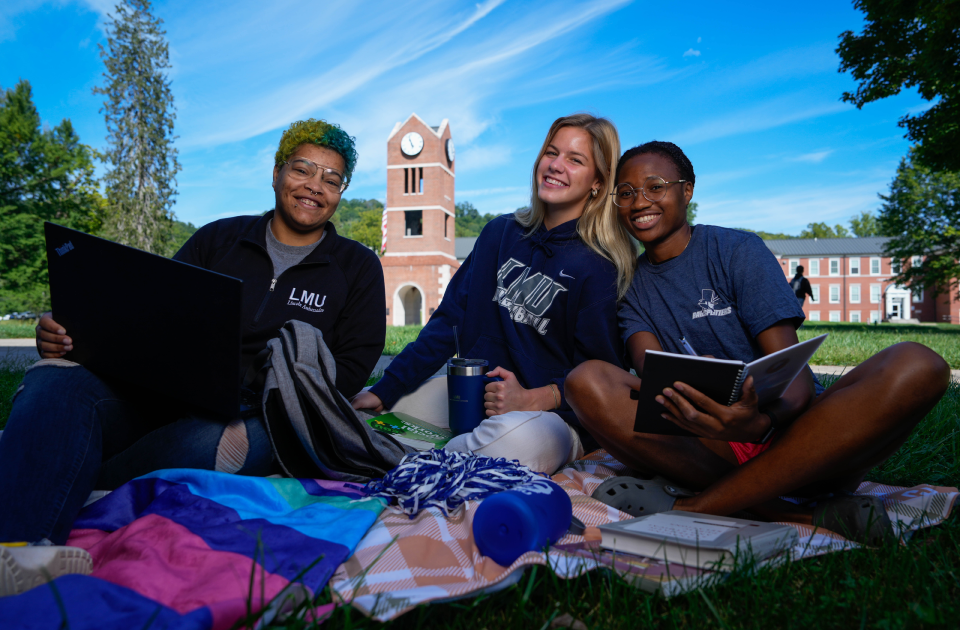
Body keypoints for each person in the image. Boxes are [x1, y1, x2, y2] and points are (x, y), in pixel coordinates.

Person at [0, 119, 386, 551]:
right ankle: (18, 553)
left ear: (341, 192)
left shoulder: (358, 267)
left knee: (215, 444)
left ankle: (61, 466)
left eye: (331, 179)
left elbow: (352, 367)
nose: (315, 186)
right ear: (276, 172)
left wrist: (261, 394)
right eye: (302, 169)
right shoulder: (218, 239)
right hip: (165, 395)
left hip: (268, 414)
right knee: (54, 379)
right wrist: (67, 334)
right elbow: (150, 317)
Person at [565, 141, 950, 543]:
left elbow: (795, 380)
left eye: (655, 186)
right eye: (625, 193)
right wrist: (706, 412)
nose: (639, 201)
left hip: (802, 440)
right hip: (705, 443)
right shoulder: (630, 288)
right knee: (585, 381)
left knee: (918, 362)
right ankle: (782, 510)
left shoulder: (737, 250)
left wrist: (760, 422)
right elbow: (655, 376)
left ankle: (699, 507)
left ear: (687, 190)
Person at [351, 114, 637, 473]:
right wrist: (385, 388)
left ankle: (423, 464)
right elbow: (448, 320)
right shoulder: (499, 233)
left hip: (552, 419)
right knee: (375, 420)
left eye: (574, 160)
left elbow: (600, 374)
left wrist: (534, 398)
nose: (555, 166)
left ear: (597, 182)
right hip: (472, 396)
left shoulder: (599, 265)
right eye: (551, 152)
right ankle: (433, 457)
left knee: (512, 442)